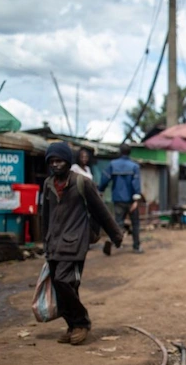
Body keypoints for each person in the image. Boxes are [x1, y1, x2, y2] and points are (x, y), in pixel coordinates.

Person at [42, 142, 124, 345]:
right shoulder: (48, 184)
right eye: (52, 161)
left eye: (59, 160)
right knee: (63, 286)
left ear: (68, 162)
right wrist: (46, 239)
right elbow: (45, 215)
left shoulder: (82, 182)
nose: (55, 165)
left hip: (75, 243)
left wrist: (115, 235)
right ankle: (72, 325)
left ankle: (82, 323)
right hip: (54, 244)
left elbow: (100, 210)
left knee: (63, 280)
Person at [99, 144, 143, 255]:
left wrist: (101, 190)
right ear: (129, 152)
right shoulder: (134, 166)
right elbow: (136, 184)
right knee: (135, 223)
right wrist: (136, 200)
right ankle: (136, 247)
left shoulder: (113, 165)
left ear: (120, 151)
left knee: (118, 223)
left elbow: (105, 179)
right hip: (131, 200)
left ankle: (111, 240)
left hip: (118, 199)